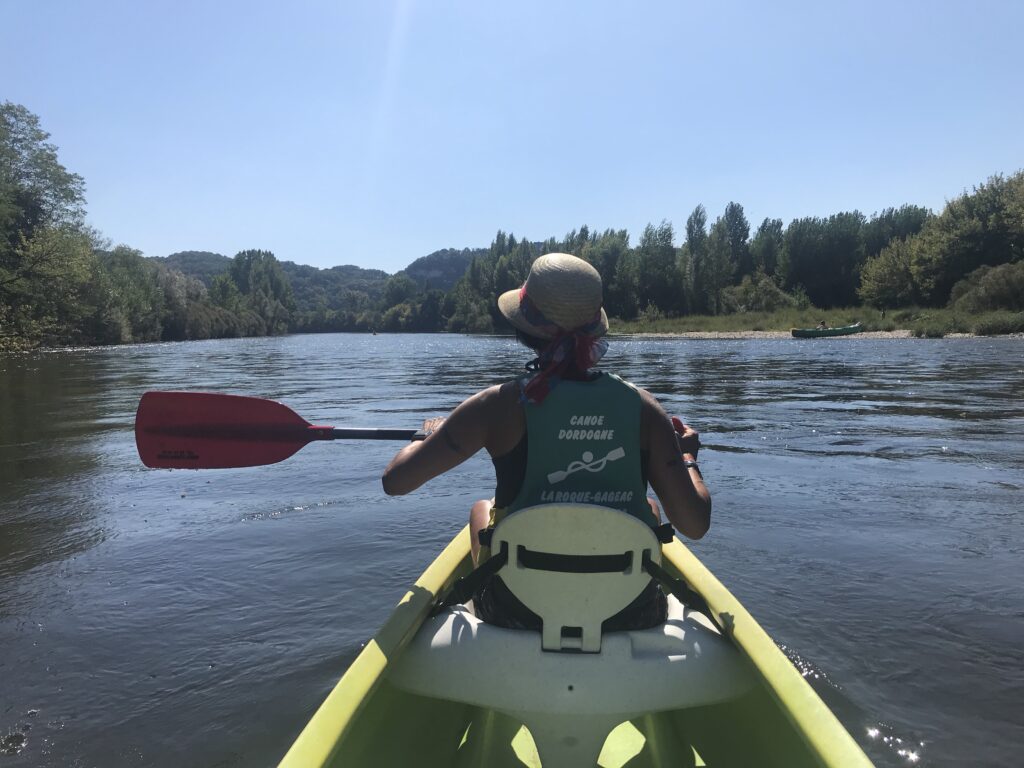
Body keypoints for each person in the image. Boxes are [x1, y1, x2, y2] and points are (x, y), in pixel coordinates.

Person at [382, 253, 711, 629]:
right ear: (593, 330)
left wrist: (431, 436)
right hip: (629, 611)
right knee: (649, 507)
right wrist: (687, 458)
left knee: (481, 509)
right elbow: (694, 524)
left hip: (516, 611)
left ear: (525, 328)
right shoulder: (645, 407)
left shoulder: (495, 405)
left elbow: (395, 481)